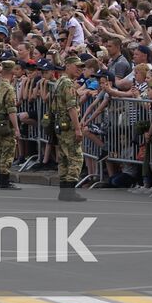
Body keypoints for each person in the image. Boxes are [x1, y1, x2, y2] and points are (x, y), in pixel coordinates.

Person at [52, 58, 87, 200]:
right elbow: (71, 107)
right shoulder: (67, 83)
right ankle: (70, 191)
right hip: (68, 124)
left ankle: (64, 190)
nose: (79, 69)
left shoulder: (59, 81)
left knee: (64, 157)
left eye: (81, 67)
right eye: (76, 66)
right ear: (67, 66)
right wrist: (78, 129)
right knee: (75, 157)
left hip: (60, 123)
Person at [0, 55, 21, 189]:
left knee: (0, 150)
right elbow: (11, 110)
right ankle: (5, 181)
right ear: (12, 71)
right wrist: (16, 128)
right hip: (6, 123)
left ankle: (2, 178)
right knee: (7, 151)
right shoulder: (9, 88)